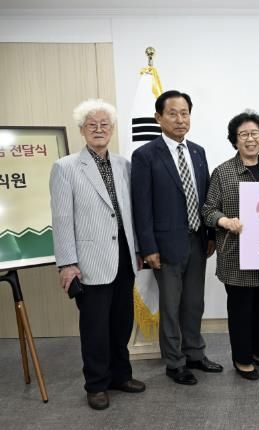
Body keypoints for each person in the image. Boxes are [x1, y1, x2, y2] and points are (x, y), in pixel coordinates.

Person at [50, 99, 145, 410]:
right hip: (89, 261)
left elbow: (131, 213)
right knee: (95, 328)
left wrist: (138, 249)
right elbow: (61, 218)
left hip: (124, 257)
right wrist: (67, 263)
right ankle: (96, 384)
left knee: (121, 322)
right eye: (92, 125)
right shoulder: (65, 168)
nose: (99, 129)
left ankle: (121, 375)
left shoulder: (124, 165)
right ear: (82, 130)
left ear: (112, 129)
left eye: (105, 124)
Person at [131, 90, 220, 386]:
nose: (180, 119)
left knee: (194, 303)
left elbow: (206, 198)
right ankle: (175, 362)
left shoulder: (198, 152)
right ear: (158, 117)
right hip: (165, 246)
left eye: (185, 113)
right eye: (173, 113)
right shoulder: (145, 155)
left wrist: (210, 235)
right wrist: (148, 247)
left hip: (198, 241)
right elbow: (141, 205)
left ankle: (195, 353)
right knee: (170, 307)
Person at [202, 111, 259, 381]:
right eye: (243, 134)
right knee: (241, 310)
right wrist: (224, 221)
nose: (250, 139)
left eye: (255, 134)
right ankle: (242, 359)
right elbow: (207, 210)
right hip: (236, 254)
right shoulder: (223, 172)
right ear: (234, 140)